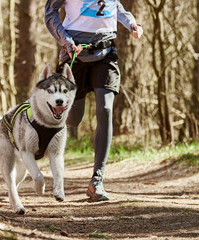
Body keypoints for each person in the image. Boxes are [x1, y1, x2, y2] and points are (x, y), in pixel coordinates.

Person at [45, 0, 143, 201]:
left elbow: (116, 7)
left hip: (106, 53)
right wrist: (65, 40)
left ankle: (97, 180)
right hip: (75, 53)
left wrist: (132, 23)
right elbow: (50, 13)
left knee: (105, 109)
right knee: (73, 119)